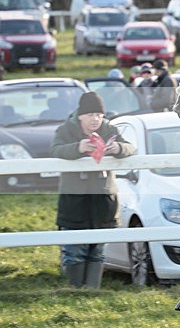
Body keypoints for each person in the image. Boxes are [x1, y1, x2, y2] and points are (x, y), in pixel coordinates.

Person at [51, 92, 135, 288]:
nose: (95, 119)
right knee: (75, 252)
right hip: (74, 203)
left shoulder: (109, 129)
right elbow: (55, 150)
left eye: (99, 115)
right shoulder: (65, 130)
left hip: (103, 202)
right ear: (80, 115)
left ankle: (92, 293)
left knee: (98, 252)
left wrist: (118, 148)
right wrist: (78, 148)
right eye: (90, 115)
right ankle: (75, 292)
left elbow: (130, 148)